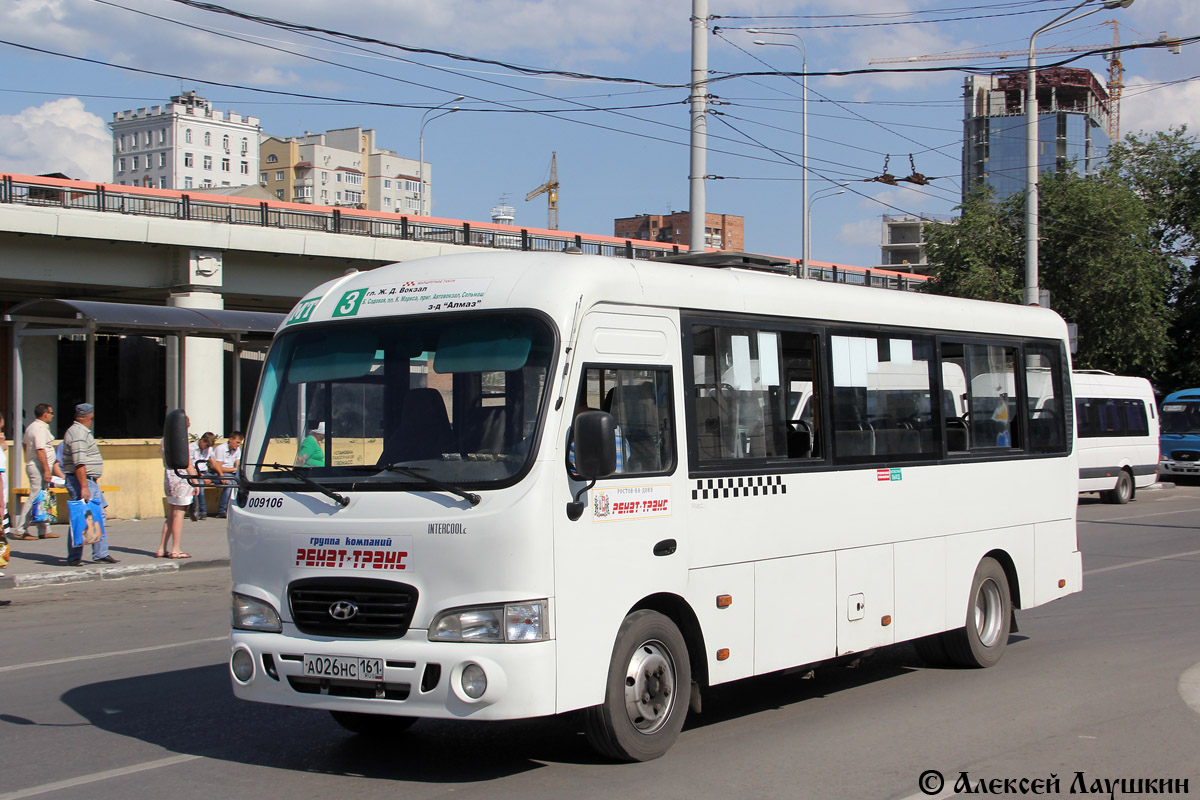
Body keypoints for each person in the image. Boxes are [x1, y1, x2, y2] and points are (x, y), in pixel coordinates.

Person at [61, 403, 117, 567]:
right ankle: (81, 556)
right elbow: (79, 463)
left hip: (88, 481)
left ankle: (99, 553)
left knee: (93, 515)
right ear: (90, 417)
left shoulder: (79, 431)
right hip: (82, 481)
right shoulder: (78, 433)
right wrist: (84, 486)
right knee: (82, 517)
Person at [15, 403, 60, 540]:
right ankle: (20, 529)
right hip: (39, 466)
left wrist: (29, 457)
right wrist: (47, 470)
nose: (52, 416)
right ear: (45, 414)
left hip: (36, 464)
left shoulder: (32, 427)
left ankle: (44, 528)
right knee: (35, 496)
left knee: (43, 497)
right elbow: (40, 450)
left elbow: (24, 444)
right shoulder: (39, 428)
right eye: (51, 413)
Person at [160, 437, 197, 559]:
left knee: (171, 514)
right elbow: (188, 463)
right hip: (181, 478)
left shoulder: (164, 439)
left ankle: (162, 548)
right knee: (179, 513)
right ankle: (176, 549)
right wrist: (194, 481)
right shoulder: (181, 438)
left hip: (169, 476)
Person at [208, 431, 243, 519]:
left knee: (242, 482)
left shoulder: (237, 450)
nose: (238, 445)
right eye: (237, 442)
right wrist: (234, 469)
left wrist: (236, 470)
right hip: (219, 473)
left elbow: (238, 465)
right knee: (230, 484)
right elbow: (219, 467)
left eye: (240, 443)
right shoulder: (221, 449)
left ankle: (237, 508)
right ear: (231, 439)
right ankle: (222, 510)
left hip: (232, 473)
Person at [188, 432, 216, 521]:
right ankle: (202, 511)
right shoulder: (191, 448)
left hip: (205, 472)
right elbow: (190, 466)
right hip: (195, 473)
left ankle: (223, 510)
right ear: (202, 440)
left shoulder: (209, 449)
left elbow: (213, 462)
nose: (207, 448)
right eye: (206, 445)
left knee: (229, 482)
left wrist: (221, 475)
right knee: (200, 487)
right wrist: (202, 476)